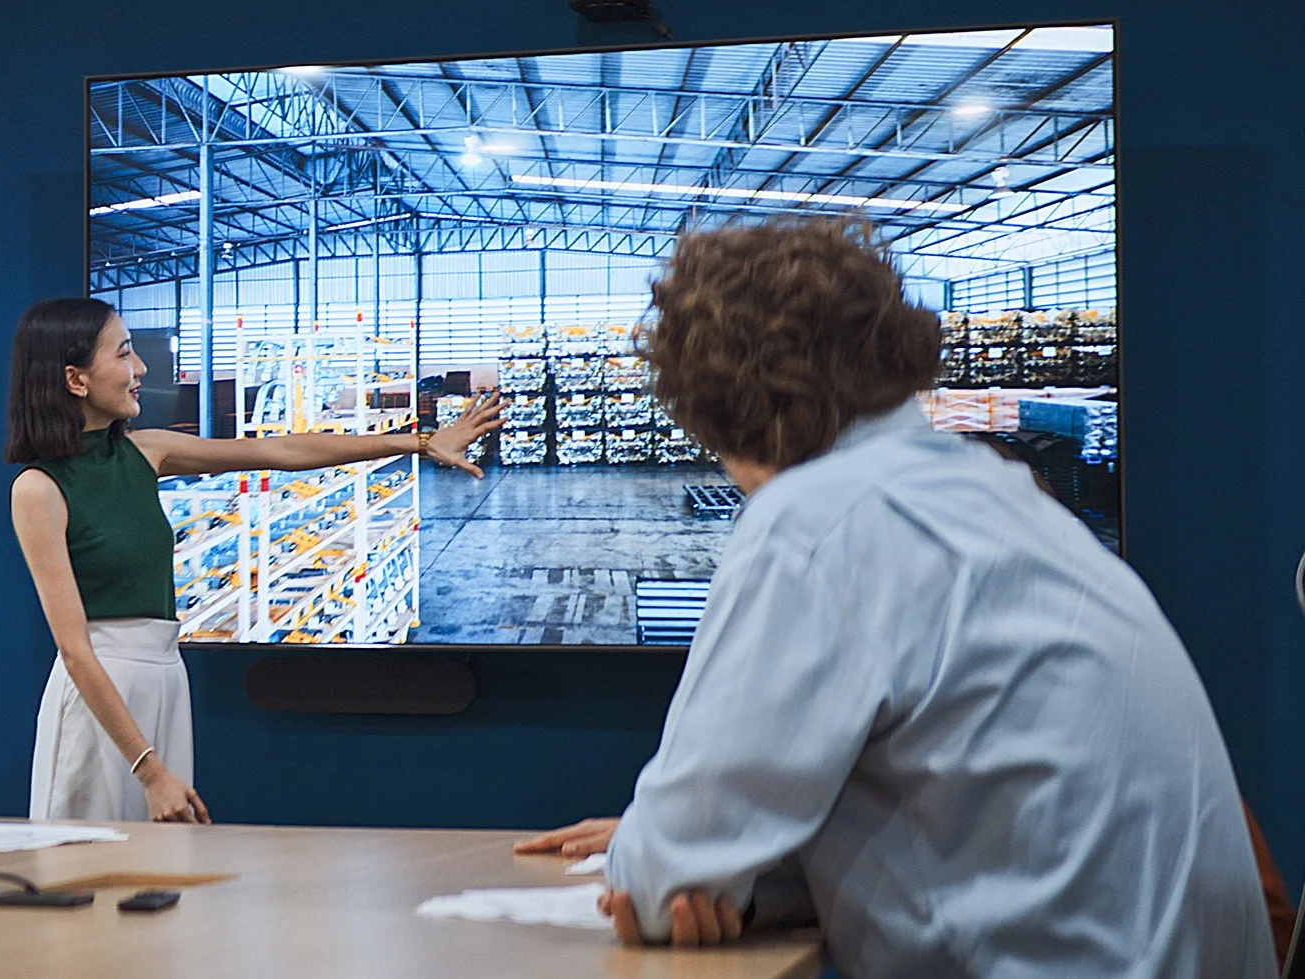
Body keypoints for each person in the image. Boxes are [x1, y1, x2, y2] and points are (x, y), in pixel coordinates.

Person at [523, 220, 1270, 976]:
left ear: (710, 400)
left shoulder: (815, 520)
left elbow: (659, 883)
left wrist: (670, 853)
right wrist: (717, 865)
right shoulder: (1002, 498)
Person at [7, 298, 501, 823]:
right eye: (125, 353)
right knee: (84, 874)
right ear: (75, 380)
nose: (142, 370)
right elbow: (74, 650)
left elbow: (284, 452)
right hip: (100, 698)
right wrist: (149, 770)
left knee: (156, 878)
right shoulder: (38, 489)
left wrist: (422, 443)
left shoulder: (143, 451)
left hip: (164, 678)